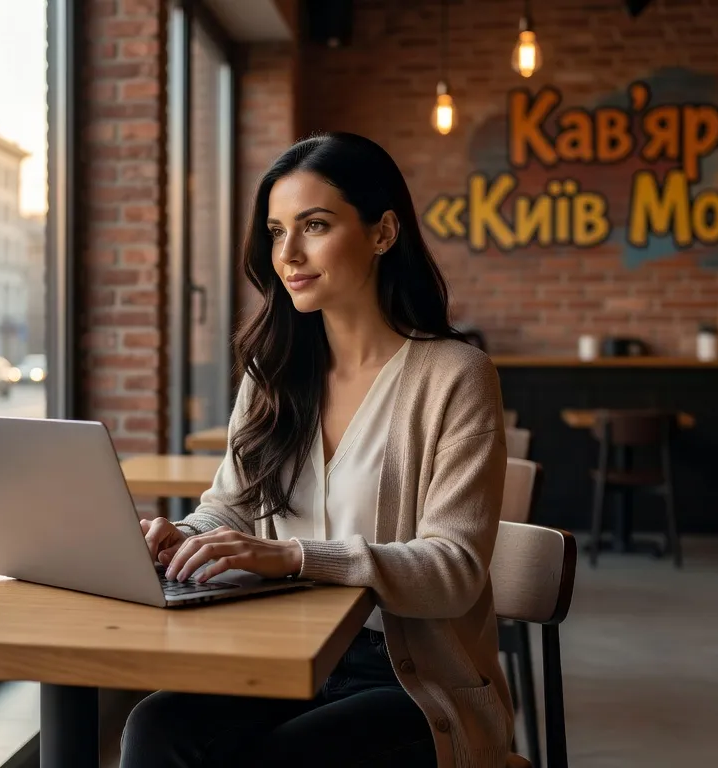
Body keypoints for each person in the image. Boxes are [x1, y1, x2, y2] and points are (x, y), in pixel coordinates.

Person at [122, 133, 510, 768]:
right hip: (284, 658)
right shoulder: (273, 373)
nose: (288, 254)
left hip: (409, 683)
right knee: (157, 726)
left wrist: (294, 556)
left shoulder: (456, 375)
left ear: (383, 233)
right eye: (276, 232)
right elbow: (231, 510)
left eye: (316, 225)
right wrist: (185, 538)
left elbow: (455, 571)